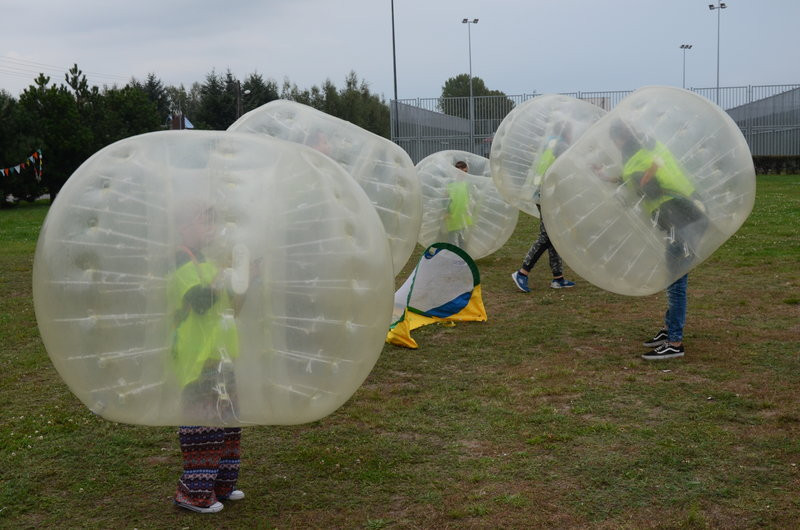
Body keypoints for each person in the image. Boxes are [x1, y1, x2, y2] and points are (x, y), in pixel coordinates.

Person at [608, 120, 709, 360]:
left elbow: (650, 188)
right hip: (686, 214)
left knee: (676, 279)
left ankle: (675, 342)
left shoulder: (639, 157)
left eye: (615, 140)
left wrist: (639, 182)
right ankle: (669, 331)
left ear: (620, 139)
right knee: (673, 274)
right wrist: (611, 177)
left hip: (683, 217)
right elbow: (636, 176)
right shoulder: (649, 151)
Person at [169, 203, 245, 513]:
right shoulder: (178, 258)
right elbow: (200, 301)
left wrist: (246, 275)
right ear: (183, 227)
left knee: (228, 419)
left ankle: (221, 485)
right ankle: (193, 492)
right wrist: (224, 277)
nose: (211, 229)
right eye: (204, 222)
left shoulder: (210, 260)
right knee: (203, 422)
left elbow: (231, 306)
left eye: (213, 223)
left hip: (221, 353)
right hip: (197, 356)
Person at [511, 125, 576, 292]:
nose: (572, 133)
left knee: (553, 235)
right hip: (547, 195)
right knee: (547, 235)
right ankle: (522, 272)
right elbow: (565, 170)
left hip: (541, 193)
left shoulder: (550, 144)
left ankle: (558, 278)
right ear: (565, 132)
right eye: (570, 130)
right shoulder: (560, 146)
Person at [445, 161, 472, 248]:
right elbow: (445, 200)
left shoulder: (466, 184)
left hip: (463, 217)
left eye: (466, 172)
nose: (464, 174)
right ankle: (454, 258)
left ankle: (461, 258)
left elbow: (468, 199)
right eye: (462, 172)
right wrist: (446, 212)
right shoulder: (450, 185)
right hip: (453, 217)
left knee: (462, 240)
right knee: (453, 240)